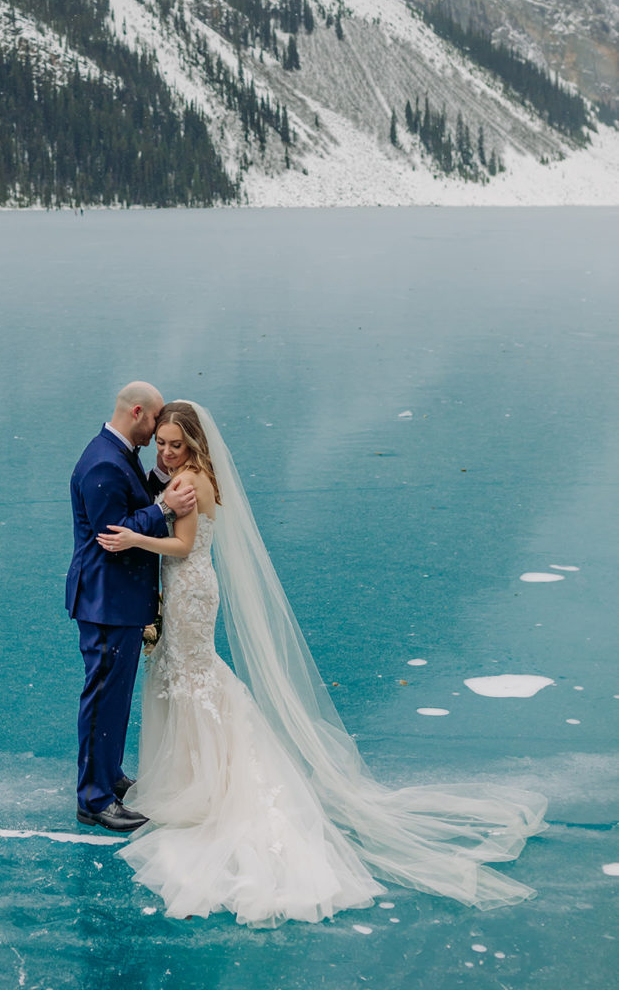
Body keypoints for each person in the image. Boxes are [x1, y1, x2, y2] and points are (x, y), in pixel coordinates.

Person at [97, 402, 547, 926]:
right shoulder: (189, 475)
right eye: (162, 442)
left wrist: (134, 538)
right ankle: (200, 776)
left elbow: (184, 544)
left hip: (190, 590)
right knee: (188, 677)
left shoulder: (191, 481)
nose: (166, 451)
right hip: (185, 592)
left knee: (195, 678)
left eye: (176, 443)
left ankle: (210, 785)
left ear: (194, 444)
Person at [65, 381, 197, 832]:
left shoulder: (116, 454)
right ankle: (93, 799)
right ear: (137, 412)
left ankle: (109, 777)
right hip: (106, 602)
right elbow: (112, 535)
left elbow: (130, 501)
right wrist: (165, 509)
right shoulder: (104, 462)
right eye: (155, 420)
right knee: (103, 699)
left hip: (114, 600)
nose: (158, 429)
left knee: (115, 699)